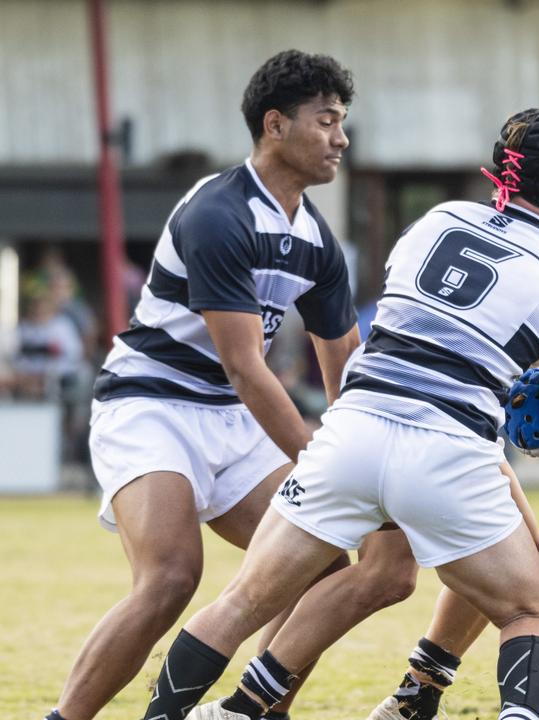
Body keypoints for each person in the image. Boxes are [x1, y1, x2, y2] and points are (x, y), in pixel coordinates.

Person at [237, 103, 539, 720]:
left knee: (438, 565)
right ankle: (273, 703)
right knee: (386, 574)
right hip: (442, 414)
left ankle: (406, 692)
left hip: (450, 413)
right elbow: (533, 308)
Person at [137, 106, 539, 720]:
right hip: (448, 449)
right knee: (526, 613)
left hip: (354, 429)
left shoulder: (432, 222)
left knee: (242, 601)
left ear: (497, 169)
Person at [43, 49, 362, 720]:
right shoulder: (219, 214)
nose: (341, 137)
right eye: (327, 120)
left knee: (326, 567)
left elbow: (344, 363)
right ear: (275, 125)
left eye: (343, 121)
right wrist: (322, 461)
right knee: (169, 578)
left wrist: (364, 449)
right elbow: (247, 365)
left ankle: (248, 710)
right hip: (151, 405)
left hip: (229, 417)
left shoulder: (317, 239)